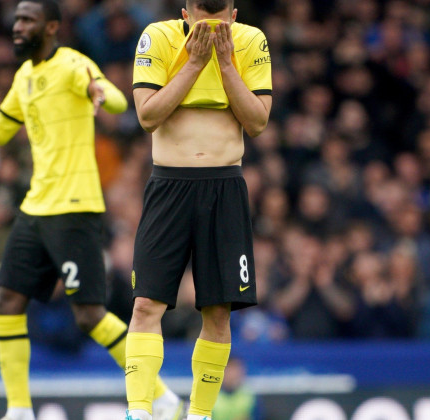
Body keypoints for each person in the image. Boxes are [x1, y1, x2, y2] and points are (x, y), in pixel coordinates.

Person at [0, 2, 183, 420]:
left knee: (90, 316)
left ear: (51, 27)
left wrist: (100, 92)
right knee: (6, 301)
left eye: (27, 19)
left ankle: (161, 394)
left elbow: (117, 101)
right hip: (36, 207)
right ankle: (20, 409)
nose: (17, 26)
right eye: (17, 19)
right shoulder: (24, 76)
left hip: (75, 208)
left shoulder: (73, 65)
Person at [125, 0, 272, 419]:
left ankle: (200, 414)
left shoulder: (250, 41)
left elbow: (258, 122)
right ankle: (139, 411)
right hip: (169, 185)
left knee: (218, 309)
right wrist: (194, 62)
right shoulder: (159, 36)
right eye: (201, 19)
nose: (213, 29)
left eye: (220, 20)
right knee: (145, 304)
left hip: (224, 187)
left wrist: (225, 65)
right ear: (184, 15)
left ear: (235, 16)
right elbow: (147, 115)